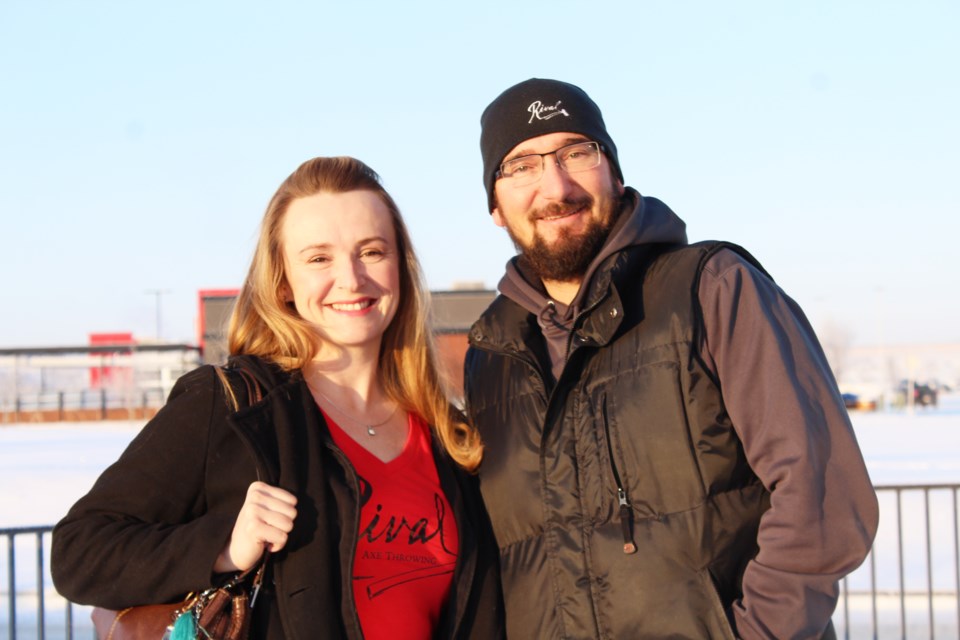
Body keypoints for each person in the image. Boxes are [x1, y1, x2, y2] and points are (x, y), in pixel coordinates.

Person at [463, 78, 879, 639]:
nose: (555, 185)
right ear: (495, 204)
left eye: (577, 153)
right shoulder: (490, 356)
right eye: (521, 166)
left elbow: (822, 495)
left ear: (614, 171)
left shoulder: (712, 290)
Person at [52, 156, 504, 639]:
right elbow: (79, 550)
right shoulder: (232, 406)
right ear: (284, 282)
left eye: (371, 251)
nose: (351, 279)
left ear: (400, 266)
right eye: (318, 258)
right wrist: (223, 546)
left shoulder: (447, 436)